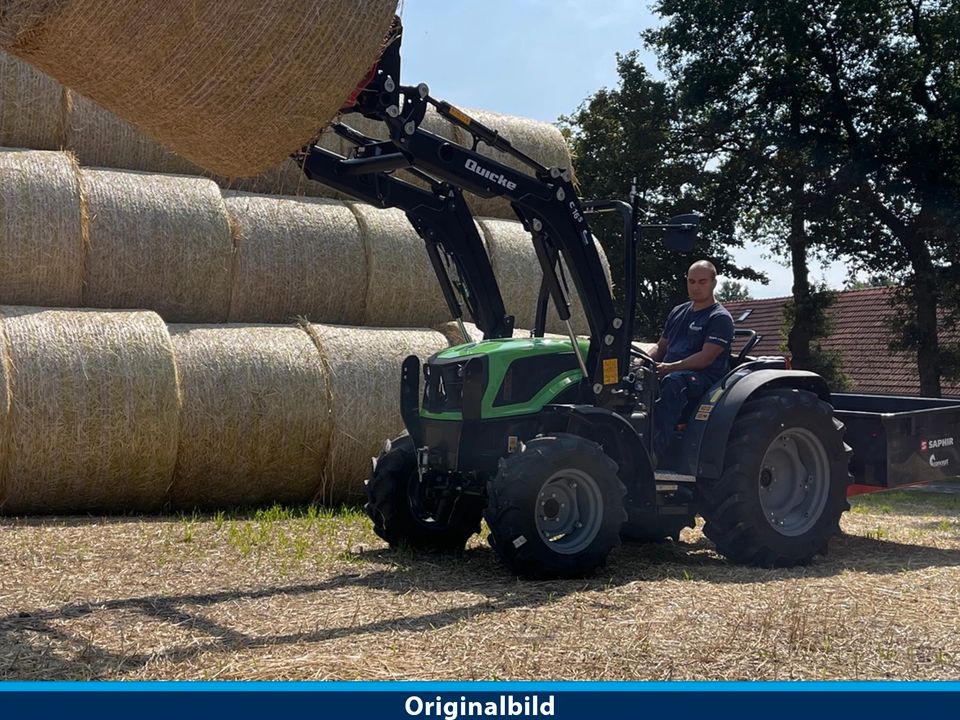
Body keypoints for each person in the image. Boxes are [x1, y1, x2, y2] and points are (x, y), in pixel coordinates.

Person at [647, 260, 734, 462]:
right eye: (691, 281)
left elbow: (705, 358)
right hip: (673, 371)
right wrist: (642, 362)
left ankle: (653, 452)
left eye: (702, 282)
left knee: (674, 383)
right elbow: (661, 347)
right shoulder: (678, 312)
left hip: (705, 379)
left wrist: (669, 368)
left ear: (714, 283)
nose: (695, 287)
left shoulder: (720, 318)